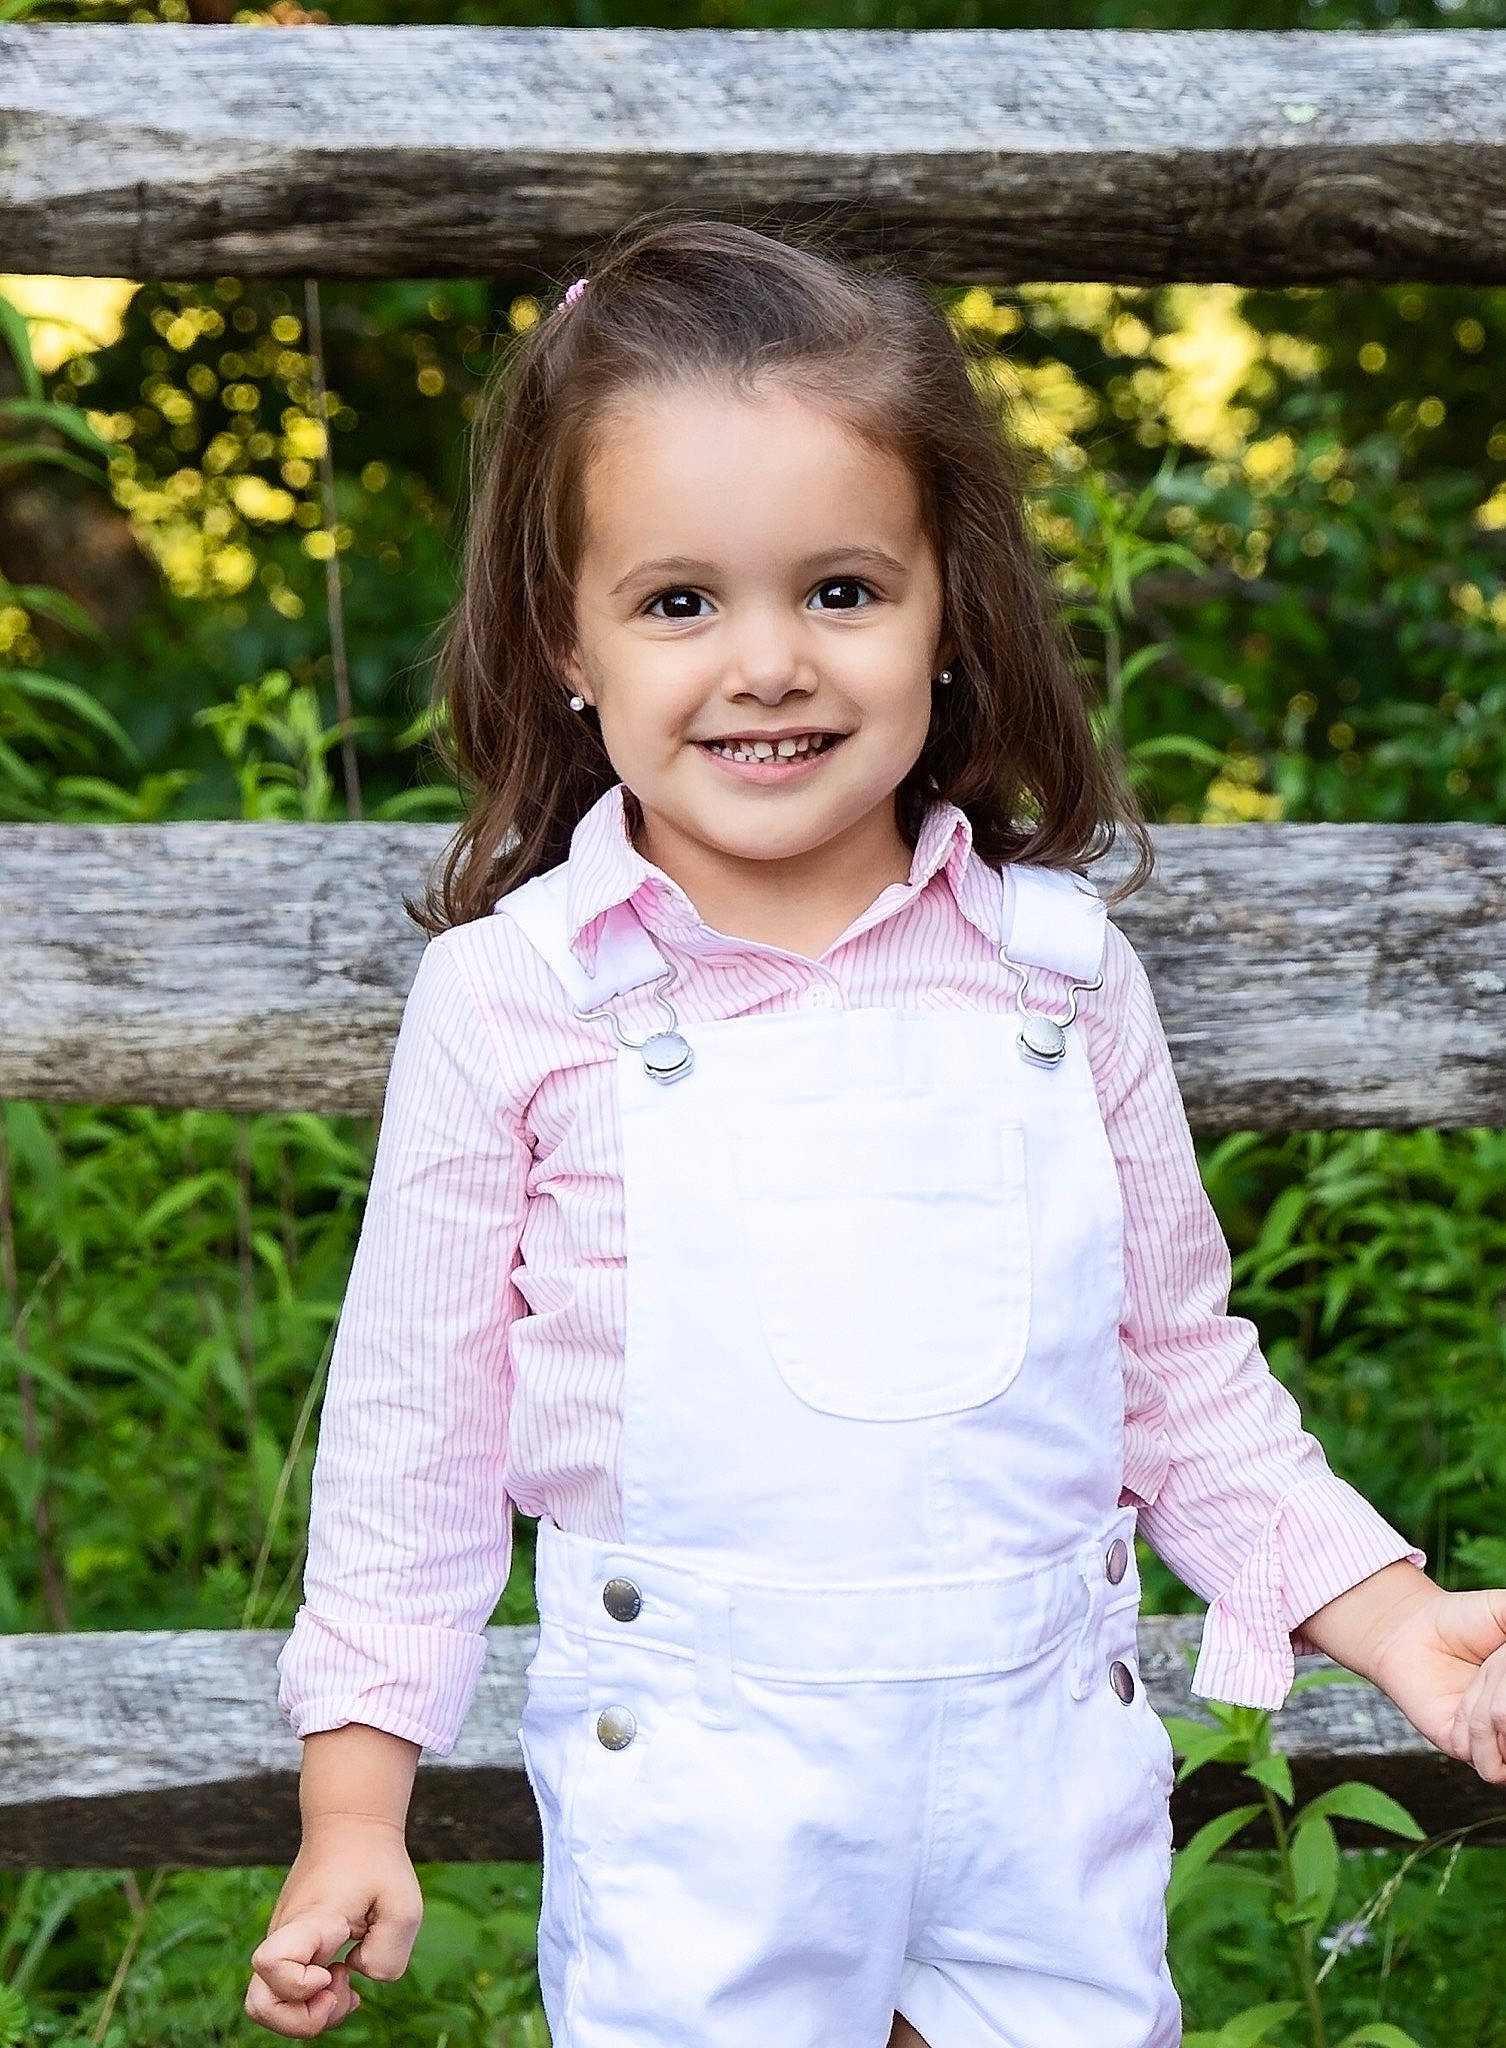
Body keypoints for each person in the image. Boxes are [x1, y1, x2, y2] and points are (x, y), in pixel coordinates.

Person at [246, 216, 1506, 2048]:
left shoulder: (1056, 983)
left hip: (1039, 1792)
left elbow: (1176, 1376)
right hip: (703, 1802)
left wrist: (1388, 1615)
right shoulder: (516, 1000)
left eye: (841, 590)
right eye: (680, 602)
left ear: (946, 609)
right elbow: (408, 1446)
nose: (768, 662)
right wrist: (352, 1807)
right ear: (566, 642)